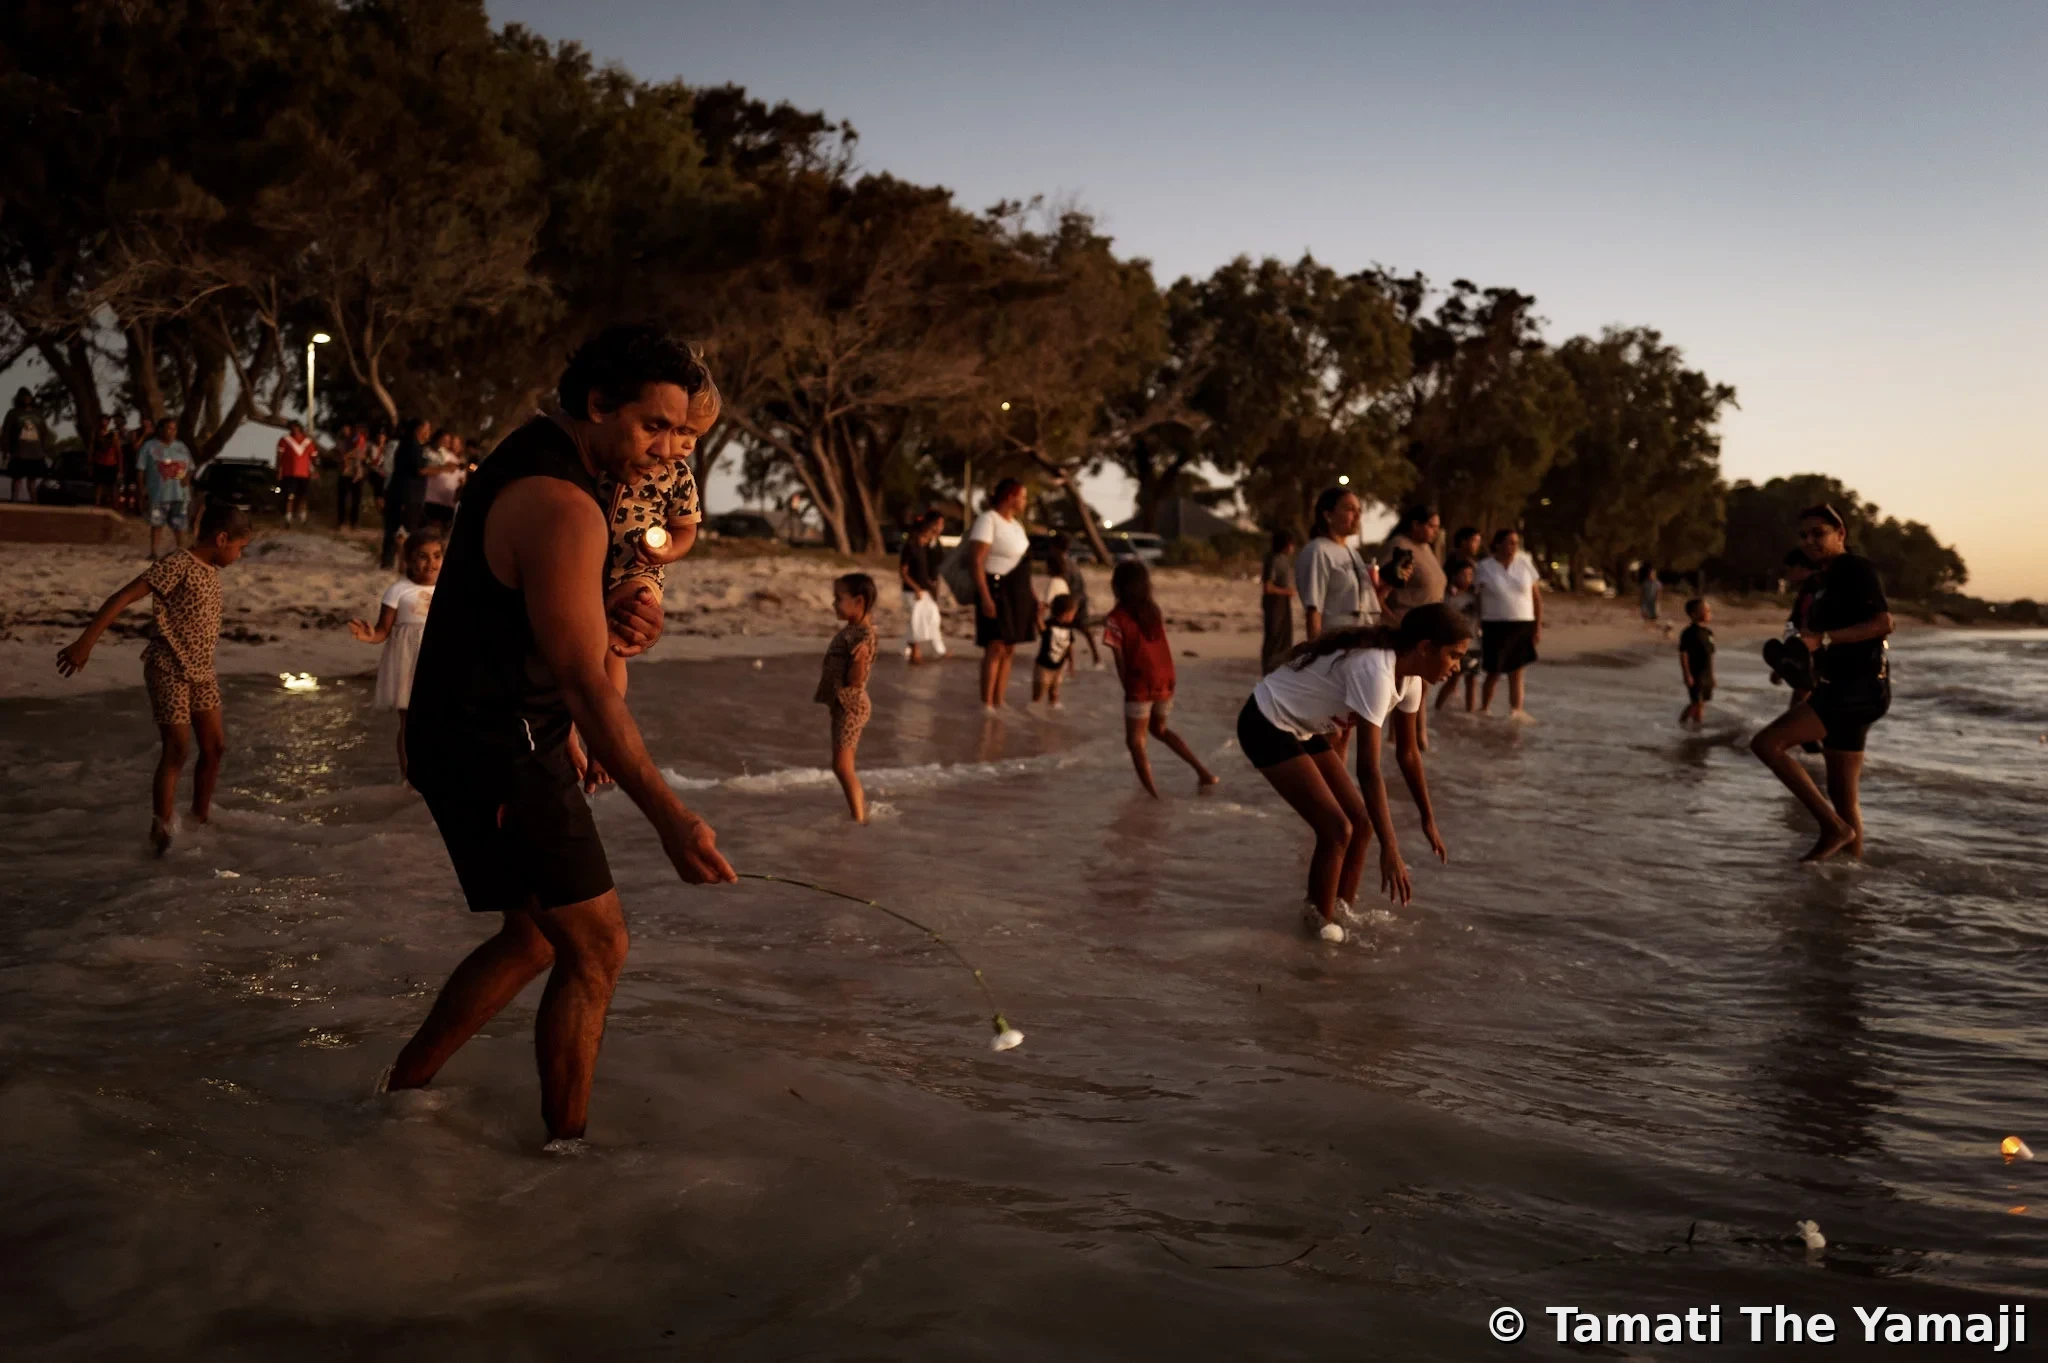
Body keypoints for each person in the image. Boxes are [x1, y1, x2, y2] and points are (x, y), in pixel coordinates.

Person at [385, 324, 736, 1148]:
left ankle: (398, 1091)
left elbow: (546, 617)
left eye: (681, 433)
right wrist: (671, 819)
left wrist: (612, 616)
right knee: (600, 945)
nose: (667, 450)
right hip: (495, 743)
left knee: (536, 938)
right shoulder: (563, 502)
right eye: (653, 426)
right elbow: (584, 684)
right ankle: (566, 1154)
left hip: (474, 729)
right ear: (597, 404)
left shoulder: (549, 453)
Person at [1236, 604, 1467, 941]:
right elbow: (1368, 769)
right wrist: (1391, 848)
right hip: (1265, 722)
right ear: (1425, 647)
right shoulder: (1376, 671)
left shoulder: (1412, 679)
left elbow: (1408, 754)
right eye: (1454, 655)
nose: (1457, 666)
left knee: (1361, 824)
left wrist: (1427, 819)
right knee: (1336, 828)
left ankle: (1340, 913)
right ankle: (1316, 928)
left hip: (1302, 728)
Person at [55, 502, 253, 854]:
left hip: (202, 671)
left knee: (215, 747)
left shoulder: (211, 569)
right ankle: (161, 833)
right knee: (177, 749)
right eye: (240, 548)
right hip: (169, 668)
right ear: (222, 539)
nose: (240, 556)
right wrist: (85, 642)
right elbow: (125, 595)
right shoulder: (178, 563)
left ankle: (199, 820)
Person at [569, 376, 716, 793]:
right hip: (586, 560)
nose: (684, 445)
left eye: (695, 437)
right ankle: (565, 736)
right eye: (681, 430)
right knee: (572, 651)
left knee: (614, 646)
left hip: (638, 568)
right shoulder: (610, 456)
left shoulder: (679, 477)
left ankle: (603, 746)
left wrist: (668, 551)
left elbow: (686, 530)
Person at [1748, 504, 1893, 863]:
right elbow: (1810, 634)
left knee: (1767, 744)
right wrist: (1794, 659)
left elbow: (1883, 624)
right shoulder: (1823, 579)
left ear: (1840, 534)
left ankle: (1833, 829)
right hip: (1843, 686)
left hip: (1856, 688)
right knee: (1845, 798)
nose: (1810, 540)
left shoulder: (1856, 569)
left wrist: (1822, 640)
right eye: (1804, 535)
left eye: (1819, 533)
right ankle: (1849, 887)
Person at [1104, 559, 1217, 797]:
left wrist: (1128, 689)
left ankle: (1154, 797)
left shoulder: (1116, 618)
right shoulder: (1153, 612)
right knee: (1160, 729)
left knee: (1135, 742)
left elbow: (1119, 658)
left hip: (1140, 681)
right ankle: (1204, 773)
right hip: (1166, 678)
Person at [349, 527, 443, 783]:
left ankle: (438, 774)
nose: (431, 563)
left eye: (437, 555)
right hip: (407, 662)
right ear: (408, 560)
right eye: (423, 556)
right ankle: (409, 778)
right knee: (410, 723)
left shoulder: (449, 588)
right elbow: (383, 630)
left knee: (441, 721)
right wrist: (370, 636)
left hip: (438, 662)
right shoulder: (398, 590)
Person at [816, 572, 879, 824]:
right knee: (841, 765)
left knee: (843, 766)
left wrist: (859, 659)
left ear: (859, 602)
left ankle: (858, 818)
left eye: (838, 598)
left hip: (850, 707)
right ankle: (859, 811)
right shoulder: (854, 630)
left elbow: (855, 680)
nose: (833, 604)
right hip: (844, 705)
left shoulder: (862, 636)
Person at [969, 478, 1037, 713]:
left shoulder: (1017, 526)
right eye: (1023, 496)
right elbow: (977, 561)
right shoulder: (988, 520)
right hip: (996, 589)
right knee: (995, 646)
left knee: (1010, 647)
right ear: (1010, 496)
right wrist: (985, 597)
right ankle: (986, 703)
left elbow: (1021, 564)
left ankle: (1000, 700)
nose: (1025, 501)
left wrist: (1034, 598)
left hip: (1018, 592)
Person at [1474, 528, 1542, 719]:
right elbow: (1477, 597)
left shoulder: (1525, 563)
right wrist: (1477, 621)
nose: (1513, 547)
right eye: (1509, 542)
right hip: (1494, 623)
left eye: (1516, 543)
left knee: (1517, 671)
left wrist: (1537, 626)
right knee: (1493, 670)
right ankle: (1484, 709)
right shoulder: (1485, 567)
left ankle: (1516, 711)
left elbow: (1536, 598)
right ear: (1497, 544)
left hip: (1522, 623)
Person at [1296, 487, 1377, 643]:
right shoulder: (1318, 551)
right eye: (1350, 509)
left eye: (1359, 510)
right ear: (1328, 516)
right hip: (1334, 644)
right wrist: (1316, 655)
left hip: (1358, 642)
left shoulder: (1351, 552)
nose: (1358, 515)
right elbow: (1314, 609)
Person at [138, 418, 196, 559]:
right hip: (158, 493)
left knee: (179, 525)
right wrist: (141, 488)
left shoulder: (181, 447)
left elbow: (191, 467)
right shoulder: (149, 447)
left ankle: (180, 552)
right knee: (156, 524)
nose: (172, 432)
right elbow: (140, 469)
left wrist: (187, 479)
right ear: (161, 430)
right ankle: (154, 552)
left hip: (180, 493)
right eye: (169, 429)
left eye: (174, 429)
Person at [379, 416, 430, 570]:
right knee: (405, 530)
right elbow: (419, 470)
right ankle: (401, 563)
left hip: (401, 493)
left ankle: (389, 561)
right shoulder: (412, 446)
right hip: (406, 495)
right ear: (419, 430)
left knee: (395, 529)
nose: (428, 433)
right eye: (427, 429)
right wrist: (443, 468)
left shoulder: (407, 445)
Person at [1434, 556, 1483, 714]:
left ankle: (1470, 713)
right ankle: (1437, 709)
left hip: (1474, 643)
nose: (1468, 578)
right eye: (1464, 574)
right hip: (1455, 643)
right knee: (1453, 680)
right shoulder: (1448, 596)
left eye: (1471, 575)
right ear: (1454, 575)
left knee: (1472, 680)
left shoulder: (1475, 596)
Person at [899, 511, 948, 664]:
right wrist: (916, 588)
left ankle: (907, 648)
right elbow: (903, 571)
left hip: (923, 589)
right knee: (917, 619)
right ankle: (915, 652)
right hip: (912, 591)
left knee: (932, 616)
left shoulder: (923, 547)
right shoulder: (911, 547)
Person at [1383, 504, 1446, 619]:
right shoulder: (1400, 547)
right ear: (1416, 525)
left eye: (1437, 527)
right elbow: (1381, 589)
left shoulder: (1426, 547)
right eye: (1431, 526)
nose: (1436, 532)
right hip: (1407, 623)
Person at [1046, 535, 1099, 666]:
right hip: (1080, 598)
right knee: (1083, 628)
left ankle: (1068, 660)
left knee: (1064, 629)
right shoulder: (1072, 563)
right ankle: (1095, 656)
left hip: (1070, 601)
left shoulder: (1061, 563)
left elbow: (1061, 585)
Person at [1260, 528, 1299, 673]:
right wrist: (1286, 592)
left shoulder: (1284, 560)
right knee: (1274, 639)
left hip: (1283, 604)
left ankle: (1279, 671)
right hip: (1274, 605)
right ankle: (1269, 671)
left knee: (1285, 638)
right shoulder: (1273, 559)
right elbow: (1268, 587)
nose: (1293, 548)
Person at [1033, 593, 1079, 708]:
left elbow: (1069, 645)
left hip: (1058, 667)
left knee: (1054, 693)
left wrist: (1071, 662)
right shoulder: (1049, 624)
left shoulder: (1069, 627)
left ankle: (1053, 710)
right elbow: (1040, 627)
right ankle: (1033, 712)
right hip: (1043, 666)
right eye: (1073, 612)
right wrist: (1039, 614)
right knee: (1038, 694)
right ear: (1066, 612)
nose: (1074, 615)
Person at [3, 388, 49, 503]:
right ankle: (14, 501)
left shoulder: (38, 413)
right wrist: (6, 450)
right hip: (19, 452)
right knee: (17, 479)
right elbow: (6, 432)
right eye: (24, 397)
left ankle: (34, 503)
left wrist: (43, 450)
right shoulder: (13, 413)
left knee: (32, 481)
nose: (26, 399)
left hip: (35, 453)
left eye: (28, 397)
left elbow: (44, 432)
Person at [1677, 598, 1715, 728]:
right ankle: (1693, 726)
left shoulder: (1709, 633)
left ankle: (1688, 724)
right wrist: (1687, 674)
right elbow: (1683, 654)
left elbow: (1710, 655)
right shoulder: (1689, 633)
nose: (1710, 613)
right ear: (1694, 614)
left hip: (1706, 674)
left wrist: (1713, 676)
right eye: (1706, 611)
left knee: (1701, 702)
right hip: (1695, 673)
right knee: (1696, 702)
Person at [275, 420, 318, 524]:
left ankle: (302, 516)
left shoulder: (307, 441)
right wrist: (279, 470)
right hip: (289, 473)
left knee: (303, 496)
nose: (294, 429)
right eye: (292, 427)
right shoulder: (285, 440)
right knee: (290, 495)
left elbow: (313, 458)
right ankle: (288, 516)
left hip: (304, 473)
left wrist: (314, 471)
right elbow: (279, 456)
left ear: (300, 428)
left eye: (296, 427)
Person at [422, 429, 466, 527]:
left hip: (448, 504)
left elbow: (461, 482)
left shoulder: (460, 463)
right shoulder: (437, 454)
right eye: (452, 442)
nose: (454, 446)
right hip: (431, 500)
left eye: (457, 444)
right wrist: (445, 468)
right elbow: (426, 469)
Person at [85, 414, 124, 508]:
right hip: (99, 462)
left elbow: (118, 451)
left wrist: (120, 468)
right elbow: (91, 448)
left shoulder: (113, 433)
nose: (104, 422)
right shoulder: (96, 433)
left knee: (113, 486)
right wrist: (90, 463)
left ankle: (114, 505)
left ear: (108, 422)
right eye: (102, 420)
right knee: (99, 485)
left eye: (106, 420)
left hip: (111, 463)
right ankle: (97, 503)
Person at [336, 423, 370, 529]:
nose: (344, 430)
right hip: (344, 473)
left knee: (356, 499)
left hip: (357, 473)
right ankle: (341, 521)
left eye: (346, 428)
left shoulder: (359, 439)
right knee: (342, 498)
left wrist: (347, 456)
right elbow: (339, 455)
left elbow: (361, 453)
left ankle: (353, 522)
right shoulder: (341, 442)